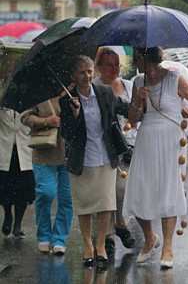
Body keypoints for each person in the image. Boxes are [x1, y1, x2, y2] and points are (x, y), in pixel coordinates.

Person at [123, 47, 188, 269]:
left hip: (170, 139)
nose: (134, 62)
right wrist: (138, 102)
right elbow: (133, 118)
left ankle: (167, 247)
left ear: (145, 58)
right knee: (140, 188)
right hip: (146, 138)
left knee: (168, 189)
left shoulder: (175, 78)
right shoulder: (138, 81)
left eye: (136, 58)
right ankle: (150, 237)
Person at [59, 55, 129, 270]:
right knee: (85, 205)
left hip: (105, 156)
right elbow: (67, 134)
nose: (87, 76)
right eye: (81, 72)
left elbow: (123, 109)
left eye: (89, 71)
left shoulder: (105, 92)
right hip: (83, 159)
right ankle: (88, 245)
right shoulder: (66, 100)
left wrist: (141, 102)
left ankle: (100, 245)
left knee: (106, 202)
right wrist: (75, 113)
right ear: (73, 75)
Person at [93, 48, 136, 256]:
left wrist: (136, 110)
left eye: (117, 64)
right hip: (102, 146)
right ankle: (107, 235)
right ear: (99, 67)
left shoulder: (128, 86)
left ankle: (120, 223)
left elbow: (135, 113)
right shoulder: (93, 88)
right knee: (103, 192)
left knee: (122, 188)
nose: (114, 69)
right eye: (109, 65)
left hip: (127, 145)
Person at [21, 98, 72, 255]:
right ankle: (43, 236)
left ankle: (59, 239)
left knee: (66, 197)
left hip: (69, 152)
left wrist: (75, 111)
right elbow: (25, 117)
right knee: (45, 193)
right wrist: (46, 121)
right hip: (44, 150)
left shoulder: (71, 91)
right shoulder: (37, 91)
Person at [0, 105, 34, 239]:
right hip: (4, 149)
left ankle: (18, 224)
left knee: (24, 189)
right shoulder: (4, 99)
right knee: (5, 188)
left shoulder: (31, 100)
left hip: (25, 149)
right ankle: (8, 214)